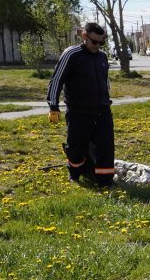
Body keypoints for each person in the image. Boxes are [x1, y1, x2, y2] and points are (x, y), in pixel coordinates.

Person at [46, 23, 116, 186]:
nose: (98, 46)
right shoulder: (72, 54)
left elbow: (105, 82)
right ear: (85, 37)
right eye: (94, 42)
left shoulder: (102, 56)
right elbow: (56, 79)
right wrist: (53, 106)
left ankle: (105, 181)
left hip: (102, 111)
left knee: (105, 148)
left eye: (101, 42)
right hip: (79, 112)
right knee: (76, 149)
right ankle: (76, 174)